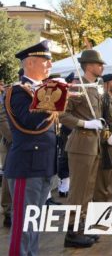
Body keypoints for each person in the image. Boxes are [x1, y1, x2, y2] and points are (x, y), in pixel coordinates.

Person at [4, 41, 58, 255]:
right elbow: (28, 121)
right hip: (26, 166)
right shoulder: (18, 91)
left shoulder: (41, 90)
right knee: (23, 224)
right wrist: (53, 98)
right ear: (30, 63)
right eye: (46, 61)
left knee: (34, 222)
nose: (50, 65)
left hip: (44, 164)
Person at [59, 48, 106, 248]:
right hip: (80, 144)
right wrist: (84, 123)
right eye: (99, 64)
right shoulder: (78, 87)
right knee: (78, 190)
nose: (102, 67)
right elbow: (62, 115)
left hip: (93, 144)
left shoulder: (94, 87)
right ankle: (72, 231)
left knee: (88, 189)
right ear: (88, 66)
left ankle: (82, 226)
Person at [94, 73, 112, 202]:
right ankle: (102, 205)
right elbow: (99, 121)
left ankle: (109, 203)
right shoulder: (103, 100)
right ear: (106, 84)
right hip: (107, 144)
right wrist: (108, 135)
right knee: (104, 178)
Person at [0, 78, 13, 228]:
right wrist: (13, 139)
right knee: (8, 176)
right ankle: (8, 211)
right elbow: (2, 118)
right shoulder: (7, 97)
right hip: (10, 143)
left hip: (17, 142)